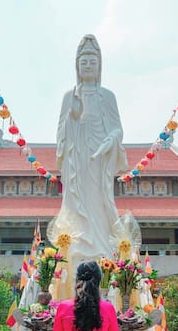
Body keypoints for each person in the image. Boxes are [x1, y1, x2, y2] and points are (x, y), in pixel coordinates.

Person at [50, 35, 128, 268]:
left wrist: (110, 140)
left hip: (100, 159)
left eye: (92, 61)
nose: (88, 66)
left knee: (99, 199)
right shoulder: (69, 96)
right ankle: (77, 244)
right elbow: (60, 134)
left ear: (99, 65)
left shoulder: (108, 96)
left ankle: (103, 247)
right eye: (83, 62)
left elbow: (117, 129)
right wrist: (72, 118)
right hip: (76, 158)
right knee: (76, 199)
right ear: (77, 65)